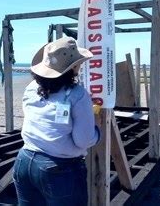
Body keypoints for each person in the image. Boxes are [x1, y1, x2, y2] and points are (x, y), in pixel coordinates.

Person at [13, 37, 101, 206]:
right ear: (73, 67)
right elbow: (83, 140)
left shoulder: (32, 87)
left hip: (24, 161)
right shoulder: (78, 94)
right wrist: (97, 133)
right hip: (59, 168)